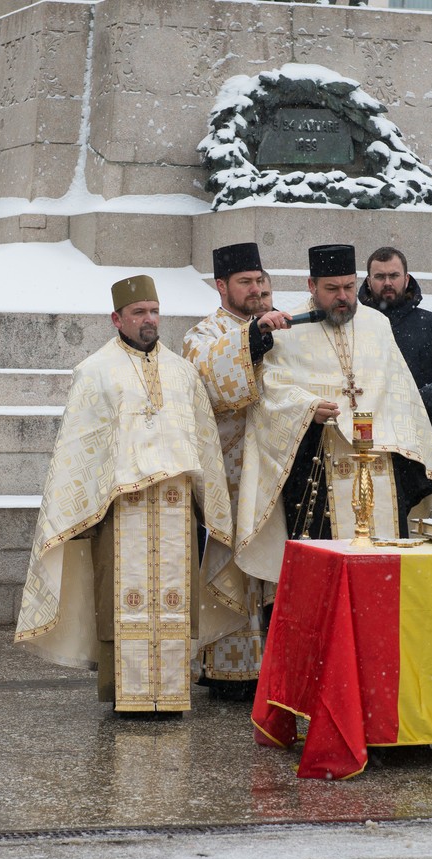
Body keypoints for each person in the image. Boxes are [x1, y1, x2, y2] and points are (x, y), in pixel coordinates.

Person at [16, 275, 237, 715]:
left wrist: (207, 502)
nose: (149, 319)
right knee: (121, 603)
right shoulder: (94, 371)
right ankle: (127, 695)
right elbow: (82, 445)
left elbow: (204, 443)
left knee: (174, 603)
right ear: (117, 319)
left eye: (154, 311)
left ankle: (171, 695)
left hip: (175, 510)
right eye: (139, 313)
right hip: (122, 512)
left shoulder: (182, 371)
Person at [235, 244, 432, 582]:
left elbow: (399, 391)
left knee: (384, 570)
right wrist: (306, 408)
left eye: (349, 287)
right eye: (332, 289)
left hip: (380, 466)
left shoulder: (377, 324)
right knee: (323, 575)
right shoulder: (289, 328)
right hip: (319, 470)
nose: (343, 297)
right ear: (311, 286)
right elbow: (270, 390)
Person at [182, 243, 291, 701]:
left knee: (278, 564)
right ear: (221, 286)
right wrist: (255, 338)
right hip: (231, 473)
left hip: (277, 468)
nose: (257, 289)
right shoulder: (201, 335)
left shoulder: (287, 325)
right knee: (237, 562)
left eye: (261, 280)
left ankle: (280, 668)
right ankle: (233, 671)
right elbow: (210, 377)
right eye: (246, 282)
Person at [358, 246, 432, 452]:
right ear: (368, 282)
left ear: (406, 279)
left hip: (421, 433)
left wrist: (414, 399)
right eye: (380, 276)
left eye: (394, 275)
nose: (387, 282)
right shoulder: (354, 323)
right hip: (367, 435)